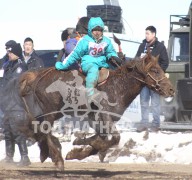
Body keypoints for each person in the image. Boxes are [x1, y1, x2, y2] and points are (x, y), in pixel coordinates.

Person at [55, 17, 121, 104]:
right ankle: (90, 96)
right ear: (90, 30)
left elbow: (110, 51)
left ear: (102, 30)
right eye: (95, 30)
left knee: (111, 74)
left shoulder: (106, 41)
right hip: (88, 63)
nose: (97, 32)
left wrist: (113, 56)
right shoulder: (85, 41)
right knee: (93, 71)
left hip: (102, 64)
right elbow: (74, 55)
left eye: (99, 30)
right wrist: (63, 65)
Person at [0, 42, 31, 166]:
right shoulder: (8, 65)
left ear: (16, 53)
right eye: (7, 52)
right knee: (8, 131)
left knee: (17, 131)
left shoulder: (20, 66)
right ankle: (9, 157)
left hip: (16, 104)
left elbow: (13, 83)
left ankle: (25, 157)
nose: (8, 54)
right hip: (7, 103)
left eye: (10, 52)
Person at [135, 26, 169, 132]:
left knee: (155, 103)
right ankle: (144, 123)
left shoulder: (160, 47)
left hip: (154, 80)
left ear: (154, 34)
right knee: (144, 102)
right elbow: (136, 59)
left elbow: (165, 62)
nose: (146, 35)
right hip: (144, 79)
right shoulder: (142, 46)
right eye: (145, 33)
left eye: (148, 33)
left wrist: (157, 72)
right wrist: (138, 60)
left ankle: (155, 124)